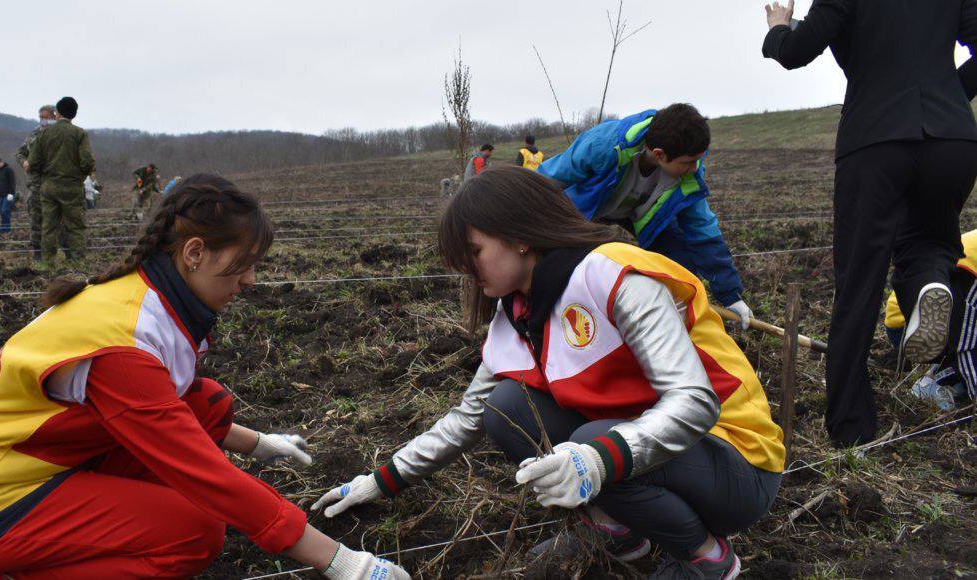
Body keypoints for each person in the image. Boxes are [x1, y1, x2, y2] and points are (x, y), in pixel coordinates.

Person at [0, 174, 410, 580]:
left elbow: (182, 407)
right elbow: (197, 466)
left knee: (207, 403)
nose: (251, 280)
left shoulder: (146, 298)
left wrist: (261, 443)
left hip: (22, 465)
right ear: (194, 254)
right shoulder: (122, 345)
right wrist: (344, 562)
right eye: (243, 264)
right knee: (192, 533)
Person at [314, 167, 784, 580]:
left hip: (736, 462)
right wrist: (381, 479)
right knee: (506, 408)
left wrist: (600, 458)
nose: (463, 267)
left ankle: (705, 558)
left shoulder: (616, 277)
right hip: (650, 451)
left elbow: (695, 403)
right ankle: (616, 532)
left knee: (597, 437)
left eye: (473, 250)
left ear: (519, 235)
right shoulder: (517, 316)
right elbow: (468, 418)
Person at [762, 0, 977, 447]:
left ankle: (852, 427)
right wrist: (951, 93)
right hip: (952, 141)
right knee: (931, 242)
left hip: (875, 140)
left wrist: (777, 29)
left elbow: (797, 51)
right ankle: (924, 288)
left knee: (859, 281)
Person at [537, 104, 754, 329]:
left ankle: (675, 324)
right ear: (659, 154)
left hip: (639, 215)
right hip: (589, 209)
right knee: (563, 263)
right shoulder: (603, 144)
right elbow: (548, 178)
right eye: (688, 162)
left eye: (697, 160)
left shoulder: (689, 174)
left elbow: (703, 231)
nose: (694, 168)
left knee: (680, 264)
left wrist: (731, 296)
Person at [883, 229, 977, 411]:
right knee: (968, 342)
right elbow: (966, 338)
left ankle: (949, 375)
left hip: (951, 308)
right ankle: (938, 383)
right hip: (912, 323)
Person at [26, 96, 96, 263]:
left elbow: (33, 162)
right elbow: (87, 162)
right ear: (74, 115)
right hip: (72, 187)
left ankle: (48, 262)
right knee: (75, 227)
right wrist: (80, 176)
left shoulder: (44, 134)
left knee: (49, 226)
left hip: (49, 187)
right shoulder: (80, 134)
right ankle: (78, 262)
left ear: (57, 113)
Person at [17, 104, 57, 259]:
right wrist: (24, 162)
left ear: (55, 116)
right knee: (36, 219)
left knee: (59, 222)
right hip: (36, 184)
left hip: (56, 183)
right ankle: (38, 255)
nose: (43, 121)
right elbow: (20, 153)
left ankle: (62, 253)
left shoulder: (61, 134)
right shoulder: (35, 133)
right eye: (40, 117)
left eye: (45, 117)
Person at [0, 158, 17, 235]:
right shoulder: (0, 171)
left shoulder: (8, 170)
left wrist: (11, 194)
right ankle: (3, 230)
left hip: (8, 195)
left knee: (5, 211)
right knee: (2, 212)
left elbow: (12, 182)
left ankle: (7, 230)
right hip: (1, 195)